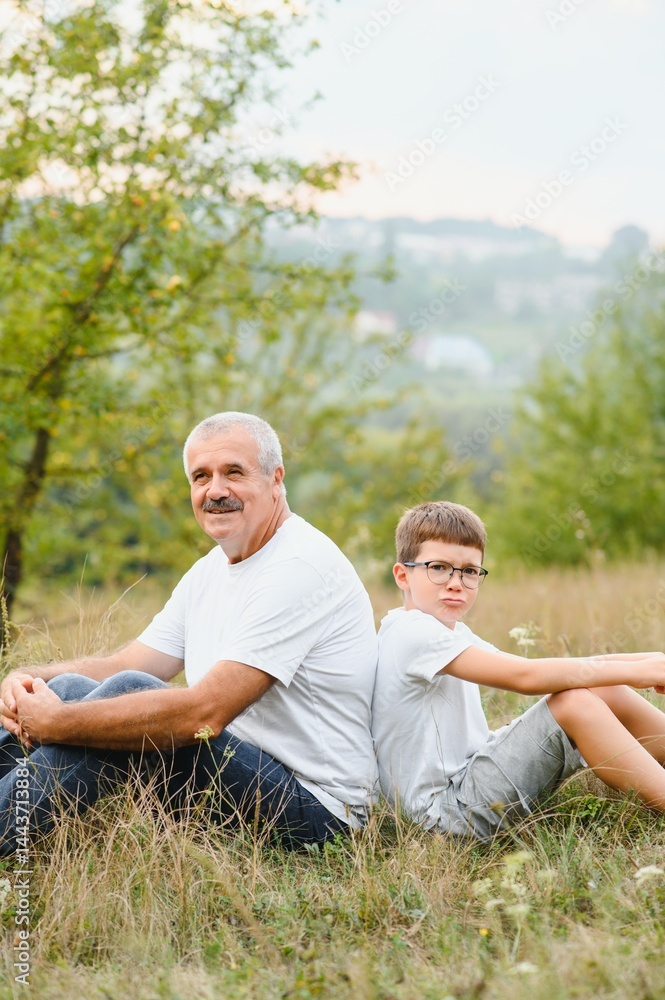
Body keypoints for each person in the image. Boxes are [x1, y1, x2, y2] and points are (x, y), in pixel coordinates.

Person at [0, 412, 378, 854]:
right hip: (242, 771)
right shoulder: (210, 571)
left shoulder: (300, 566)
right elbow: (129, 661)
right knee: (61, 687)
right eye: (201, 477)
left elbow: (204, 714)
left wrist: (58, 723)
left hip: (316, 813)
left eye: (233, 472)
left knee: (128, 693)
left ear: (276, 480)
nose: (215, 491)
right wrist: (28, 679)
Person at [372, 500, 665, 840]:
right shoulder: (413, 632)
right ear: (403, 575)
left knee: (603, 688)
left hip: (467, 784)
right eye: (439, 567)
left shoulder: (443, 630)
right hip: (442, 816)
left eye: (469, 571)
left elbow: (540, 669)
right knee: (575, 705)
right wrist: (640, 670)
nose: (456, 582)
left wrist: (651, 660)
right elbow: (526, 677)